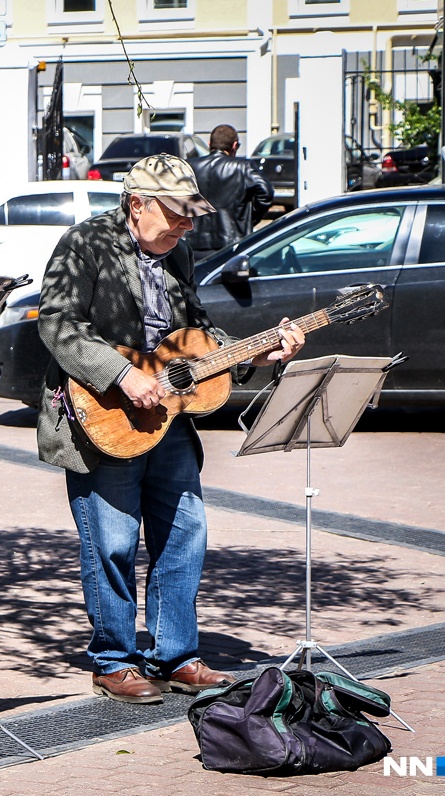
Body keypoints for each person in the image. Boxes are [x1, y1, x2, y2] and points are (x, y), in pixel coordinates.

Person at [37, 154, 305, 704]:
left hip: (169, 419)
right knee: (111, 543)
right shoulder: (83, 244)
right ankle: (113, 660)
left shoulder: (177, 252)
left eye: (191, 215)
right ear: (137, 205)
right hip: (104, 416)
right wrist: (121, 373)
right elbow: (58, 325)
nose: (188, 225)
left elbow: (195, 336)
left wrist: (259, 351)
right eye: (177, 214)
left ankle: (175, 654)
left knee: (185, 533)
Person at [186, 124, 274, 260]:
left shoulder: (189, 167)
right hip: (231, 244)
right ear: (235, 146)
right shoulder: (243, 167)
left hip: (193, 243)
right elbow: (266, 193)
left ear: (210, 144)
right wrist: (247, 219)